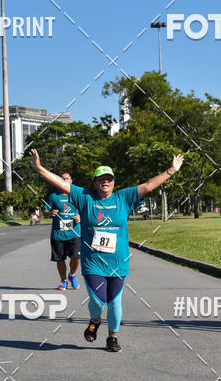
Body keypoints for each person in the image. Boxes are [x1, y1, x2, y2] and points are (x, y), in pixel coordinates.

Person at [29, 149, 184, 353]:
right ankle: (94, 320)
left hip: (118, 262)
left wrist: (171, 170)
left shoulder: (123, 197)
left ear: (113, 182)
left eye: (109, 179)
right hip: (93, 261)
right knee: (97, 300)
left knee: (115, 302)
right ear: (95, 183)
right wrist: (39, 168)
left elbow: (148, 186)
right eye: (101, 179)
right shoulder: (85, 198)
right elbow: (61, 184)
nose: (105, 182)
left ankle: (112, 337)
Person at [43, 173, 81, 290]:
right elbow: (45, 211)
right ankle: (63, 280)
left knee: (76, 257)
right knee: (60, 259)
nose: (65, 180)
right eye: (62, 179)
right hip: (58, 234)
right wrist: (50, 213)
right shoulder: (53, 196)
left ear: (71, 181)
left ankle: (72, 275)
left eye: (67, 178)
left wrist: (80, 217)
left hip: (74, 233)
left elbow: (86, 210)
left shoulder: (77, 196)